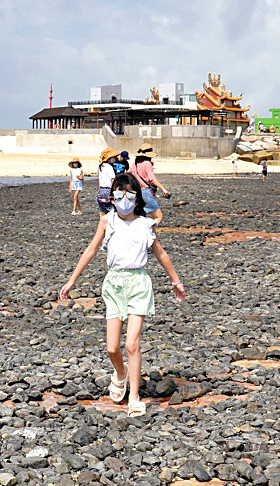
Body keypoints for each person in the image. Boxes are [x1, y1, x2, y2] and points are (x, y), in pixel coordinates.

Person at [59, 173, 186, 417]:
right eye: (118, 194)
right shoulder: (108, 221)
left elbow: (161, 254)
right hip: (114, 284)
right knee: (111, 348)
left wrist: (175, 281)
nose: (124, 199)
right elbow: (91, 249)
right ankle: (120, 373)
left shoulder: (145, 224)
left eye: (128, 194)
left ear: (137, 198)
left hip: (138, 282)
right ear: (112, 198)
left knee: (131, 344)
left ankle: (135, 397)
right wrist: (72, 280)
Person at [128, 145, 171, 225]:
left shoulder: (134, 163)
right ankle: (148, 231)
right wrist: (163, 189)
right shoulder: (147, 163)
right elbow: (152, 179)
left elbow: (128, 174)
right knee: (158, 216)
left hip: (136, 192)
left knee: (140, 217)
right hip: (145, 192)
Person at [96, 147, 118, 216]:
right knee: (112, 213)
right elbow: (112, 180)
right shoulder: (109, 167)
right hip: (108, 191)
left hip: (100, 191)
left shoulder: (100, 166)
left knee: (102, 212)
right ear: (109, 158)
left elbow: (99, 180)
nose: (115, 159)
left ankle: (102, 226)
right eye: (114, 157)